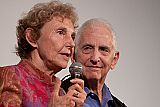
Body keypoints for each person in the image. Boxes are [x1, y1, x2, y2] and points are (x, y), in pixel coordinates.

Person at [0, 1, 86, 107]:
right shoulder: (10, 76)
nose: (72, 43)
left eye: (72, 36)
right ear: (32, 37)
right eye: (60, 32)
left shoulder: (61, 92)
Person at [61, 18, 127, 107]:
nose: (95, 58)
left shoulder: (119, 105)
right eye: (87, 48)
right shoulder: (58, 97)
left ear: (114, 60)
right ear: (73, 56)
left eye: (103, 49)